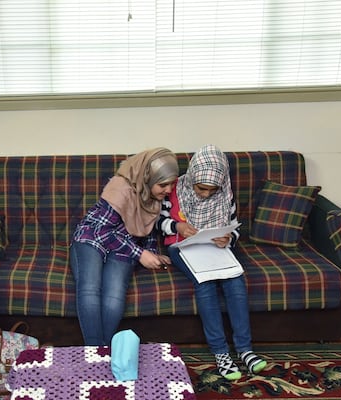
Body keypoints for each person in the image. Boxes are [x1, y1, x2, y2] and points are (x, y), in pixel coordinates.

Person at [157, 144, 266, 380]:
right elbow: (160, 223)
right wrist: (178, 226)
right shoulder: (174, 190)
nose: (206, 194)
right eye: (201, 188)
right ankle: (220, 352)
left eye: (211, 189)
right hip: (181, 246)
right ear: (193, 176)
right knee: (205, 283)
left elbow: (234, 227)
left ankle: (245, 349)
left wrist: (228, 238)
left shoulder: (225, 194)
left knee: (235, 282)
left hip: (214, 248)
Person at [70, 147, 180, 346]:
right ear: (147, 179)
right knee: (90, 288)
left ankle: (100, 351)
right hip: (92, 237)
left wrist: (152, 252)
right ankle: (97, 351)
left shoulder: (155, 197)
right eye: (163, 184)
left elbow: (147, 227)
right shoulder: (120, 188)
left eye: (171, 184)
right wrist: (140, 254)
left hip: (123, 245)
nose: (169, 190)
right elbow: (101, 231)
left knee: (113, 296)